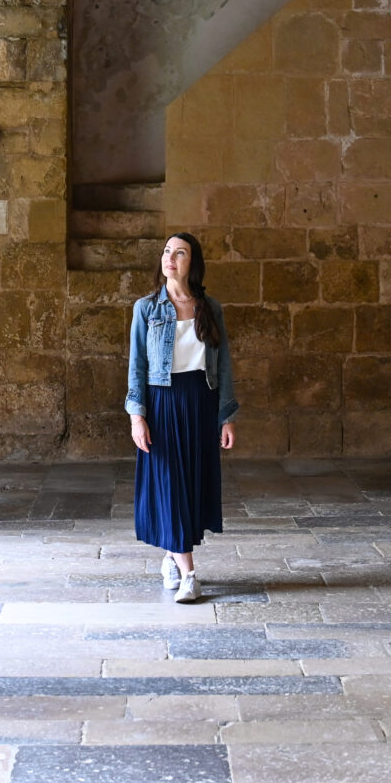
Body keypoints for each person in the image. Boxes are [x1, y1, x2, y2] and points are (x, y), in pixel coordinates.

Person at [126, 233, 237, 602]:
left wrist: (226, 415)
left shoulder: (210, 308)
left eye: (180, 253)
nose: (170, 258)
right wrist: (136, 416)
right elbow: (137, 366)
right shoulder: (146, 308)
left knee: (188, 486)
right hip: (162, 402)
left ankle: (171, 559)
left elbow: (223, 366)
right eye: (166, 252)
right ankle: (189, 574)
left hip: (199, 401)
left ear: (192, 262)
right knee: (169, 482)